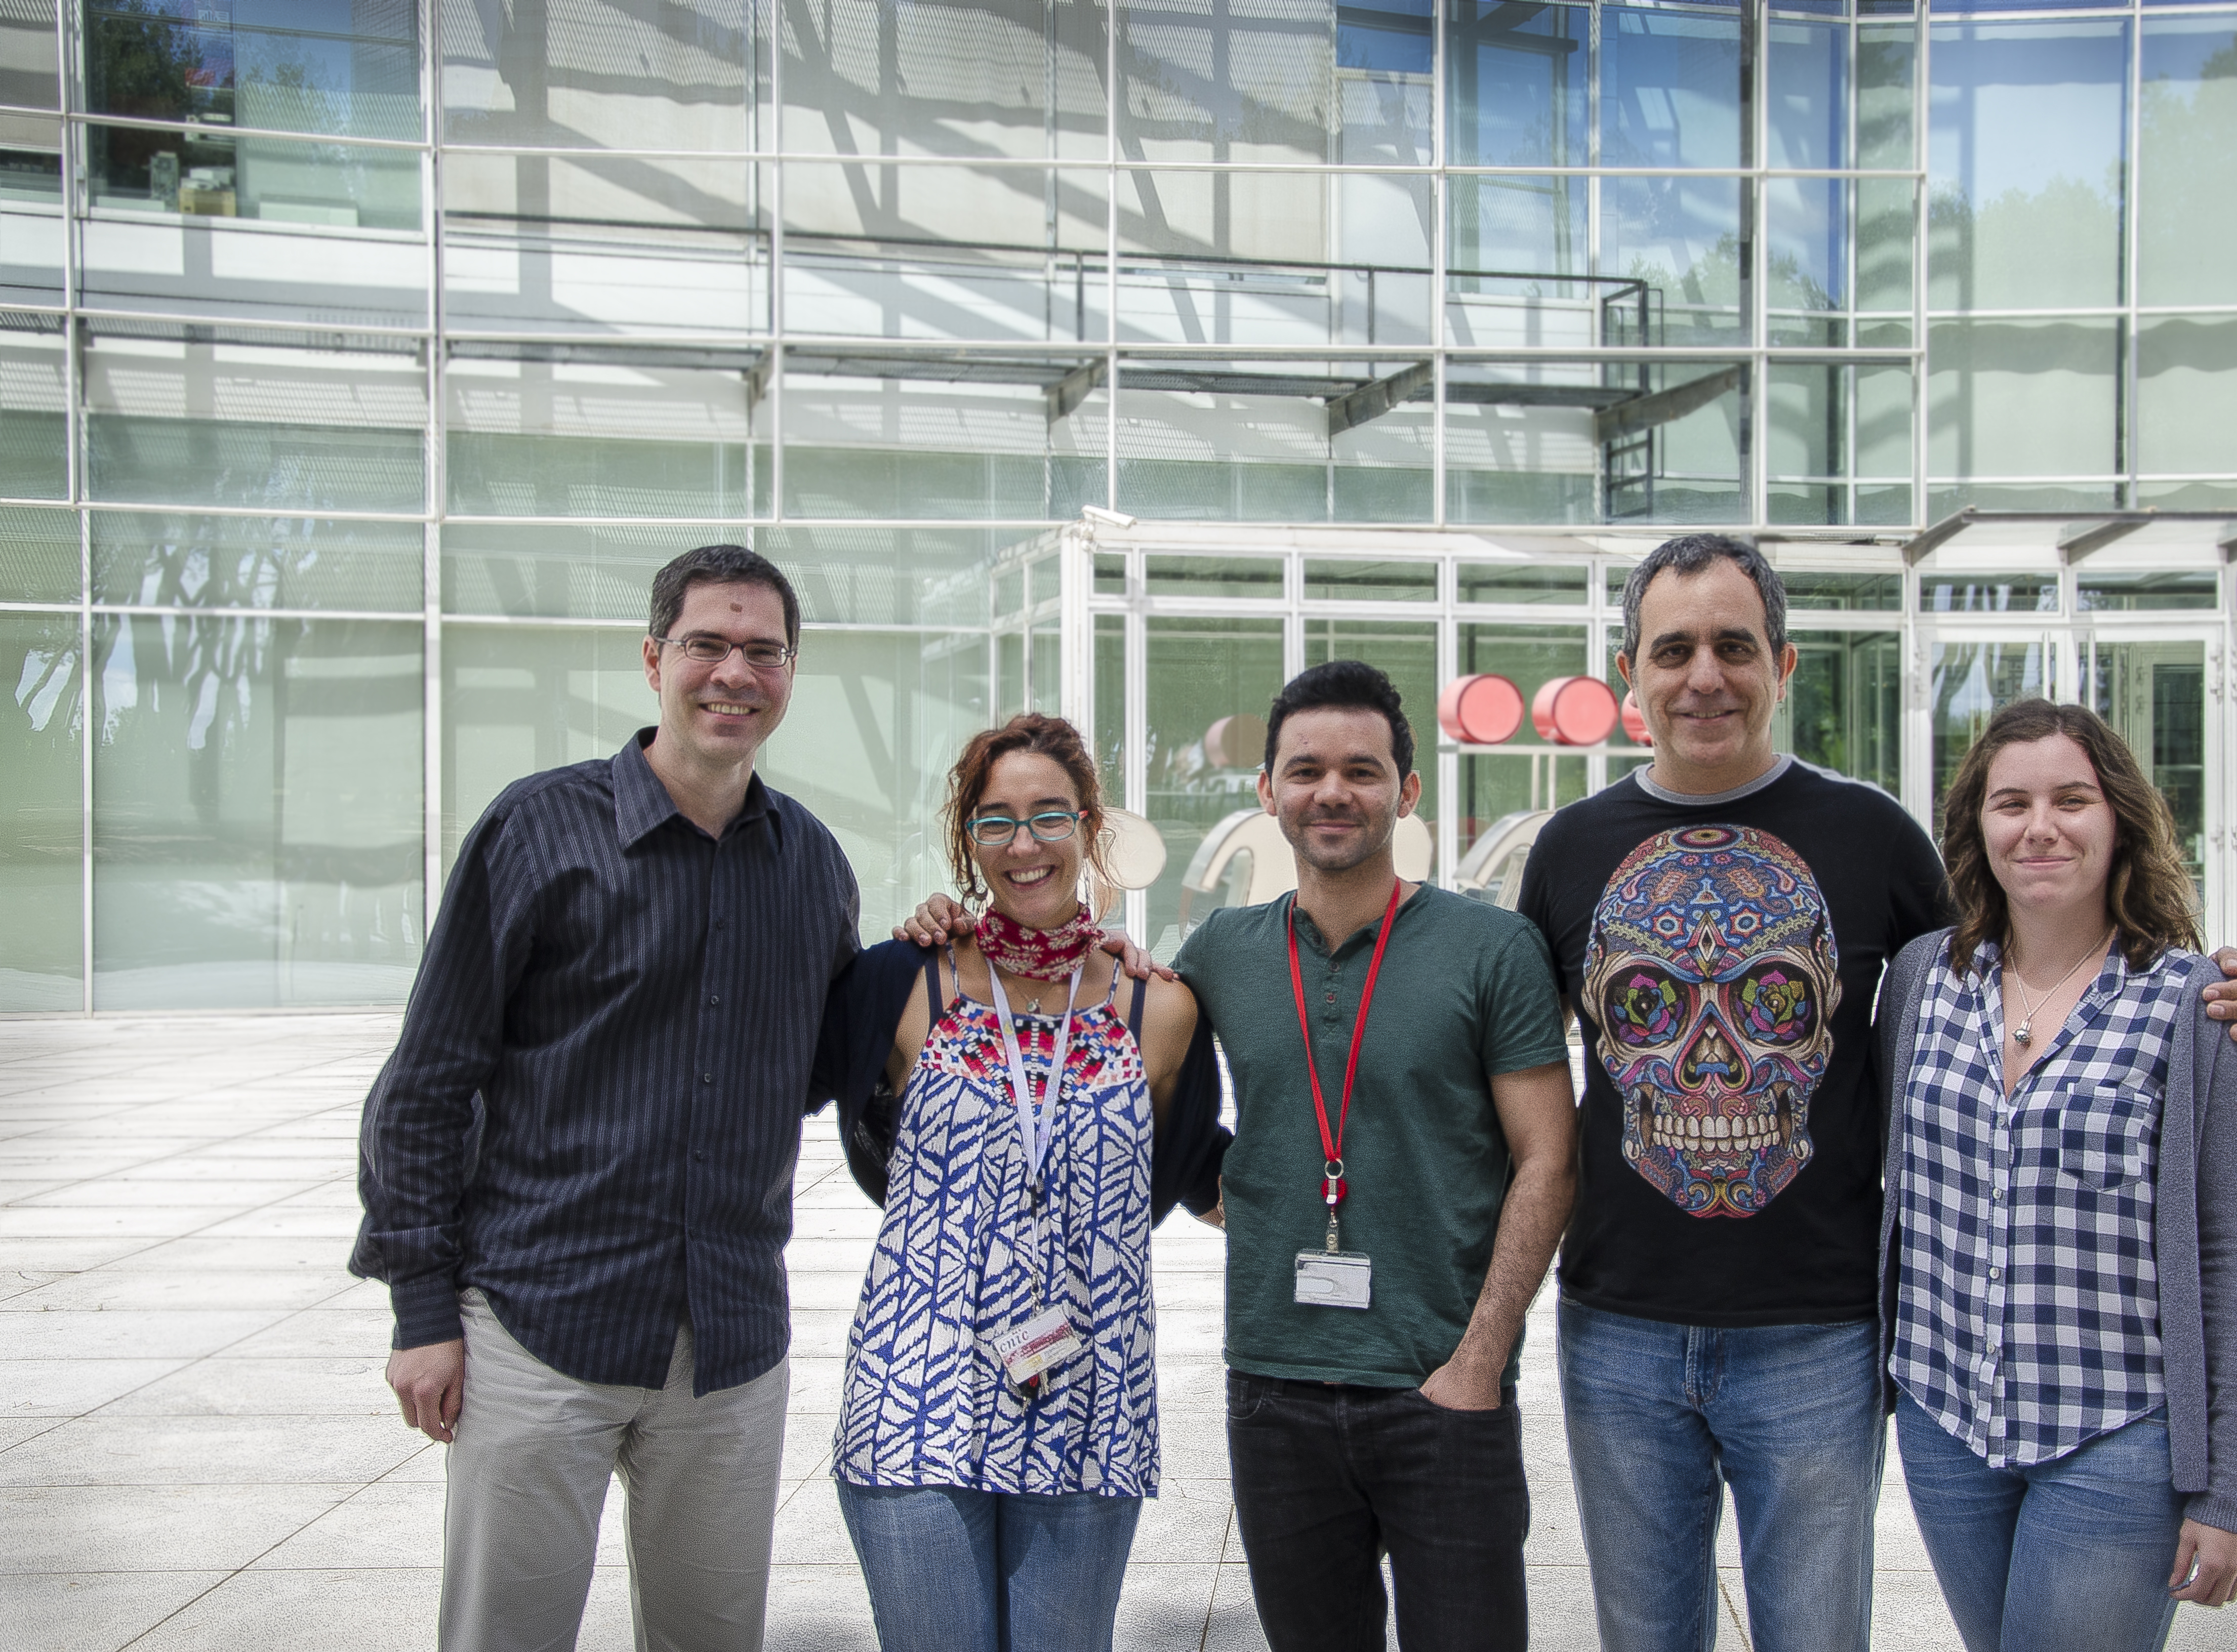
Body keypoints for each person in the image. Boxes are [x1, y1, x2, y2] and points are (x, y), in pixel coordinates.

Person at [1513, 533, 2237, 1652]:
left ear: (1784, 663)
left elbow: (2022, 952)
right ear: (1627, 669)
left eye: (1734, 645)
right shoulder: (1569, 847)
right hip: (1616, 1327)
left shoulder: (1872, 836)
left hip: (1821, 1337)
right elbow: (1509, 1068)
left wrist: (2227, 991)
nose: (1703, 676)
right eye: (1671, 649)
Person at [902, 659, 1578, 1652]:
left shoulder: (1490, 949)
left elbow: (1549, 1161)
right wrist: (953, 932)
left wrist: (1479, 1361)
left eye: (1362, 770)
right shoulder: (1218, 950)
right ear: (1268, 793)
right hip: (1275, 1390)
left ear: (1408, 792)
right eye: (1305, 771)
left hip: (1442, 1385)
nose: (1332, 792)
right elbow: (1135, 1082)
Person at [351, 545, 860, 1652]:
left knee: (711, 1638)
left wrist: (942, 965)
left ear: (789, 674)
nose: (735, 673)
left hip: (728, 1348)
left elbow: (827, 1067)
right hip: (539, 1327)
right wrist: (422, 1312)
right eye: (707, 645)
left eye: (763, 651)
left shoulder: (811, 862)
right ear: (652, 659)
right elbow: (430, 1080)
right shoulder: (538, 830)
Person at [814, 713, 1226, 1652]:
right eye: (995, 821)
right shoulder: (902, 983)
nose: (1025, 844)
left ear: (1091, 829)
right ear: (967, 841)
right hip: (916, 1389)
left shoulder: (1156, 1006)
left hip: (1090, 1393)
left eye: (1049, 816)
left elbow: (1194, 1170)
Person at [1875, 698, 2237, 1652]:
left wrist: (2230, 1494)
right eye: (2011, 802)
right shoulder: (1924, 977)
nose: (2040, 826)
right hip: (1944, 1424)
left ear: (2119, 819)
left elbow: (2233, 1258)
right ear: (1977, 825)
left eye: (2072, 799)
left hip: (2116, 1441)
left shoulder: (2200, 1005)